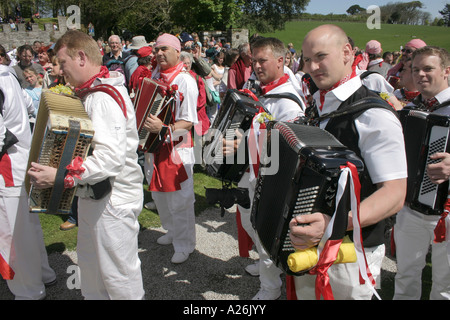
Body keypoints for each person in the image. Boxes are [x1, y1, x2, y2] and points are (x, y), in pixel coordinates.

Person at [289, 24, 407, 300]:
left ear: (346, 53)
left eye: (320, 56)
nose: (313, 66)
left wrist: (334, 224)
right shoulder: (319, 106)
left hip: (353, 249)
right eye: (307, 59)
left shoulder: (373, 115)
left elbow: (394, 194)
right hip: (311, 239)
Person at [28, 29, 145, 300]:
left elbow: (110, 158)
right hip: (98, 197)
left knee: (118, 277)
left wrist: (61, 176)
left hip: (113, 201)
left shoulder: (102, 97)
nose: (59, 70)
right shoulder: (94, 92)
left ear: (81, 57)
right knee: (93, 272)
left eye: (62, 62)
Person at [233, 37, 305, 300]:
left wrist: (242, 146)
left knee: (265, 232)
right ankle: (271, 265)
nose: (256, 66)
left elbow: (291, 151)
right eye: (254, 61)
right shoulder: (260, 90)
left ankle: (270, 288)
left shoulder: (288, 102)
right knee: (249, 222)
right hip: (251, 172)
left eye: (263, 60)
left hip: (270, 179)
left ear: (281, 60)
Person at [394, 46, 450, 300]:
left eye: (428, 68)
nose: (420, 75)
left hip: (447, 212)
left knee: (444, 286)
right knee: (405, 274)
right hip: (411, 207)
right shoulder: (410, 109)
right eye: (415, 69)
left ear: (446, 71)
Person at [0, 60, 56, 300]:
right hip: (19, 162)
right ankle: (42, 274)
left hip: (9, 167)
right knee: (27, 228)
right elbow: (27, 105)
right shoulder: (8, 74)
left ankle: (28, 291)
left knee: (13, 234)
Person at [143, 33, 198, 264]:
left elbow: (188, 122)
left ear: (177, 51)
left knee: (179, 199)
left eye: (164, 49)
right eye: (157, 50)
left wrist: (163, 128)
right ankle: (172, 230)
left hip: (176, 148)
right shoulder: (155, 74)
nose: (159, 53)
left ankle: (185, 244)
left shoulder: (185, 80)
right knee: (158, 195)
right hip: (153, 145)